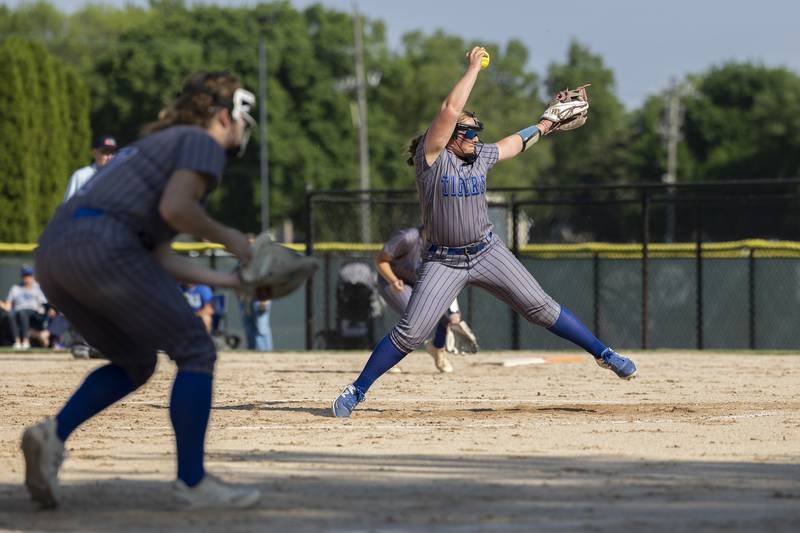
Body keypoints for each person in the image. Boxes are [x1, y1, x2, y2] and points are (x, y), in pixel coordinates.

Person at [332, 48, 636, 418]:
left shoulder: (481, 157)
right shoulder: (432, 160)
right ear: (450, 136)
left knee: (541, 308)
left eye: (478, 130)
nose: (476, 136)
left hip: (487, 251)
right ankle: (357, 390)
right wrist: (474, 67)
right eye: (469, 131)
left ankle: (604, 354)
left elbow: (513, 144)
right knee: (411, 333)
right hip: (444, 260)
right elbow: (448, 111)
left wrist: (543, 125)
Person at [22, 71, 261, 509]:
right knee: (196, 350)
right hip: (104, 246)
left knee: (136, 361)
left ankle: (51, 435)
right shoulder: (201, 143)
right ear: (226, 116)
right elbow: (177, 208)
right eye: (244, 119)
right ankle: (192, 482)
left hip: (54, 254)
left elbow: (160, 256)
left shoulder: (152, 148)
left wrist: (231, 280)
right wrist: (234, 241)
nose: (244, 129)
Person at [376, 226, 475, 374]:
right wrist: (393, 280)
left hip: (420, 283)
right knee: (414, 317)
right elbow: (380, 259)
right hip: (393, 281)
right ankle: (386, 359)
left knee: (448, 316)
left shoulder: (447, 247)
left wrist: (454, 313)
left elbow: (447, 282)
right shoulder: (408, 238)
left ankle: (437, 348)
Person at [0, 266, 49, 349]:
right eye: (25, 276)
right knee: (11, 314)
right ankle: (17, 342)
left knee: (23, 312)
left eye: (30, 276)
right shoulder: (15, 288)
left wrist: (47, 310)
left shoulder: (38, 288)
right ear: (22, 277)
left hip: (35, 313)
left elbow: (44, 304)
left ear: (34, 277)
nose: (27, 279)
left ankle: (26, 341)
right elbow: (8, 307)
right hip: (18, 313)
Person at [63, 135, 118, 201]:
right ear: (94, 153)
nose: (110, 157)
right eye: (105, 152)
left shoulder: (117, 177)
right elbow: (68, 205)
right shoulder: (81, 176)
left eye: (112, 153)